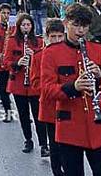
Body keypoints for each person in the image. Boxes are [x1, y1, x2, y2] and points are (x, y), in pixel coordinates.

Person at [40, 3, 101, 176]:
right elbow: (47, 89)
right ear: (66, 23)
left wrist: (100, 76)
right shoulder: (51, 52)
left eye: (85, 26)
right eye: (76, 25)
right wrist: (73, 87)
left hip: (99, 127)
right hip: (69, 127)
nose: (80, 30)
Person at [3, 13, 48, 155]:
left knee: (39, 115)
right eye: (23, 25)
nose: (26, 27)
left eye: (28, 25)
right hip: (18, 84)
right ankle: (28, 140)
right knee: (23, 115)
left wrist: (33, 58)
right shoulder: (11, 41)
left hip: (34, 85)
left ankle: (43, 144)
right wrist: (18, 63)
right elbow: (5, 62)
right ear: (19, 26)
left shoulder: (39, 42)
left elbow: (46, 62)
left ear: (32, 26)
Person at [31, 19, 66, 176]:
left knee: (68, 145)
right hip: (50, 106)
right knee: (55, 144)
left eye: (60, 36)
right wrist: (51, 89)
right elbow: (35, 82)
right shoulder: (39, 56)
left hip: (68, 105)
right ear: (46, 37)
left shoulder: (70, 53)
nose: (57, 40)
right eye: (53, 37)